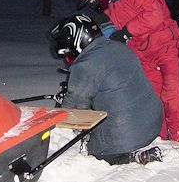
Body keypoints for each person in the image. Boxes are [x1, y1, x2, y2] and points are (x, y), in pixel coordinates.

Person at [69, 0, 179, 143]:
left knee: (172, 92)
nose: (92, 1)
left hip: (165, 44)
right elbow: (112, 33)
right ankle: (162, 138)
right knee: (152, 99)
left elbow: (154, 14)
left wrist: (127, 31)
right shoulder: (108, 4)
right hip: (142, 53)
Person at [50, 14, 163, 165]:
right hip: (152, 123)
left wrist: (55, 126)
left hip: (126, 133)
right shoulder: (119, 47)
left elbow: (73, 109)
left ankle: (130, 156)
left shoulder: (86, 64)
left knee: (96, 152)